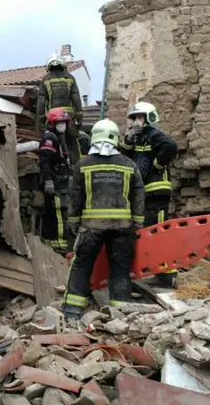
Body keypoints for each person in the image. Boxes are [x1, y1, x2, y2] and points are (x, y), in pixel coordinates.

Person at [62, 119, 145, 321]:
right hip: (122, 228)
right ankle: (121, 313)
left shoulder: (83, 164)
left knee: (82, 266)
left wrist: (73, 222)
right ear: (115, 138)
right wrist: (137, 222)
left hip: (91, 228)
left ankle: (72, 311)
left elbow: (75, 197)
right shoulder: (129, 164)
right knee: (120, 270)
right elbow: (138, 194)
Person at [121, 101, 179, 288]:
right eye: (135, 117)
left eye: (140, 117)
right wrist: (128, 141)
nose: (137, 121)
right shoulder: (138, 138)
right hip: (145, 193)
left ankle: (167, 276)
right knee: (150, 233)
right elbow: (125, 158)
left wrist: (157, 165)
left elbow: (171, 146)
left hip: (157, 191)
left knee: (159, 233)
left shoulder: (154, 134)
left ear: (149, 117)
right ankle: (156, 272)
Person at [37, 54, 85, 165]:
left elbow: (41, 100)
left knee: (53, 141)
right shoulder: (70, 78)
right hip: (69, 117)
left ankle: (56, 166)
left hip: (53, 117)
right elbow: (75, 96)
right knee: (72, 143)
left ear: (48, 66)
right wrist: (79, 114)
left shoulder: (45, 79)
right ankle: (75, 167)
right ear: (63, 65)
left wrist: (41, 118)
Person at [38, 108, 73, 254]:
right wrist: (48, 180)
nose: (63, 124)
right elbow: (45, 161)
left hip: (61, 182)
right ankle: (58, 244)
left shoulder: (59, 137)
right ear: (52, 123)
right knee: (57, 213)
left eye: (64, 122)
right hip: (54, 182)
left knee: (60, 212)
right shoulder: (50, 138)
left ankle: (58, 242)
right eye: (60, 122)